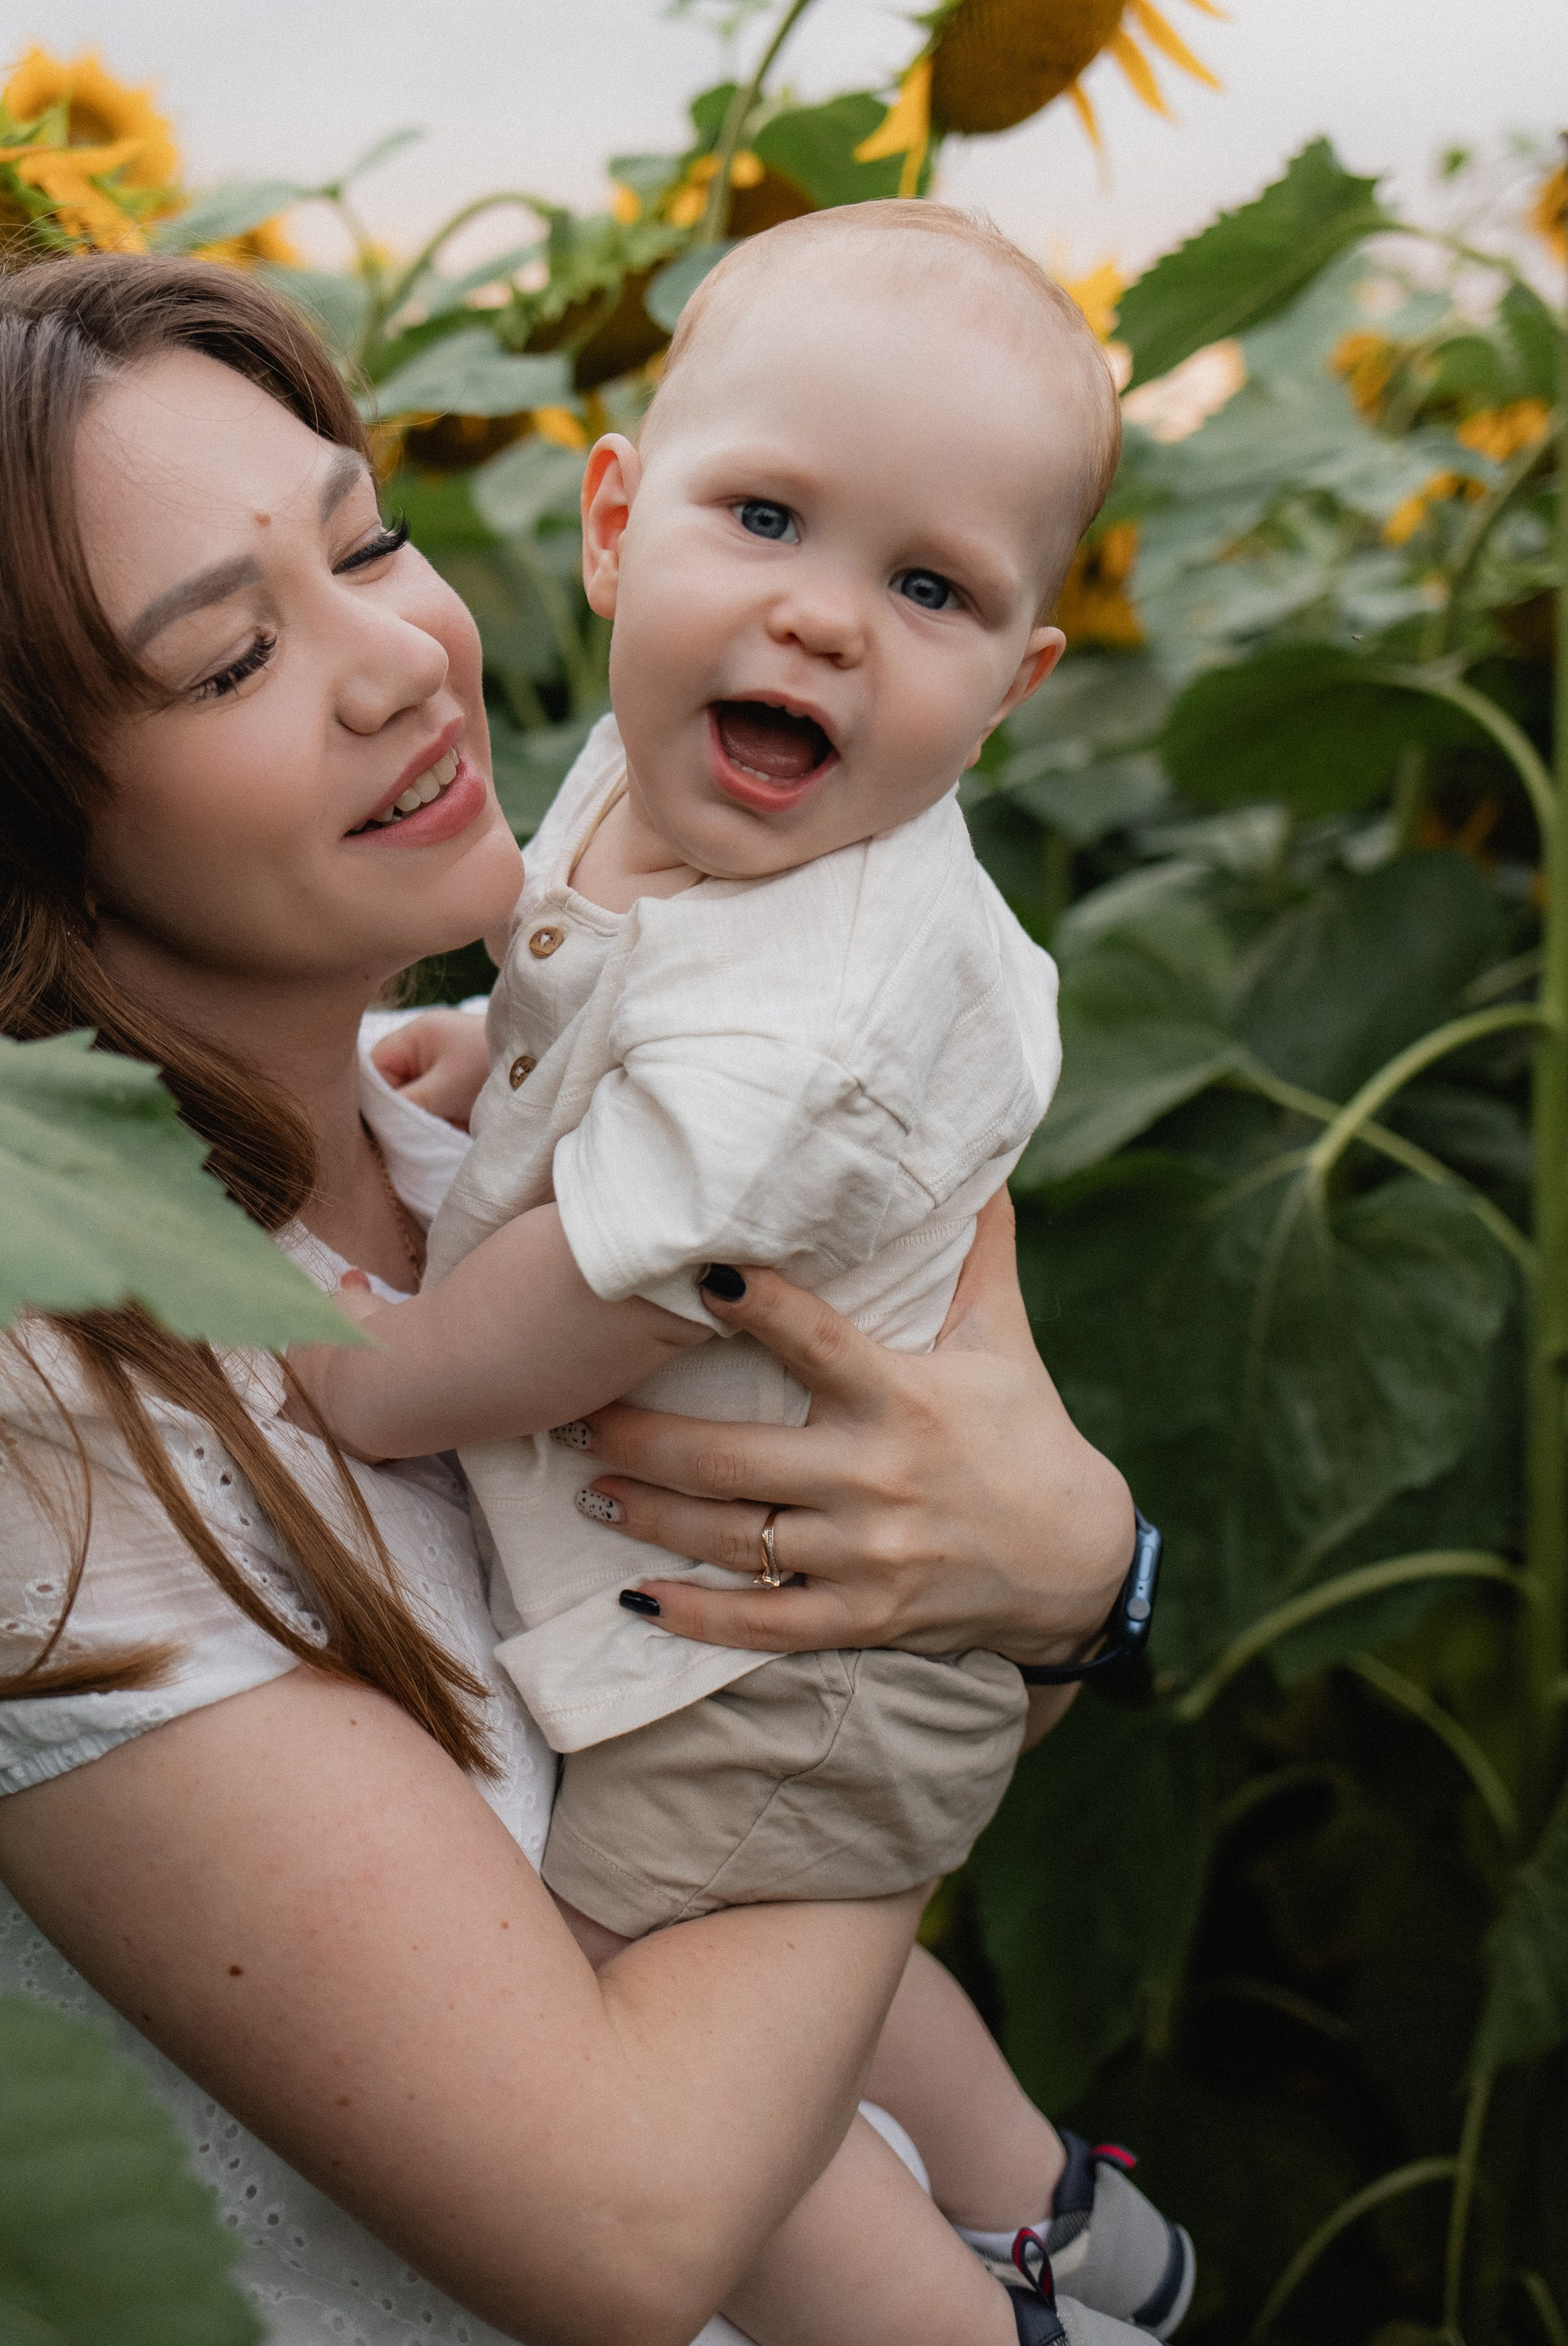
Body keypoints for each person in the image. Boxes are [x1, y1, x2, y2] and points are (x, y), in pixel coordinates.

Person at [0, 257, 1136, 2346]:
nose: (400, 663)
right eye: (229, 657)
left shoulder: (486, 1143)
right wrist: (1005, 1606)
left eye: (367, 545)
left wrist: (1075, 1580)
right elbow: (623, 2232)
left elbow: (884, 1606)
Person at [298, 203, 1191, 2345]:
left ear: (1020, 681)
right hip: (792, 1607)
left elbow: (614, 1280)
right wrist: (482, 1049)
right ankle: (1046, 2207)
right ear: (616, 525)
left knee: (644, 2020)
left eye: (931, 589)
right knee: (791, 1946)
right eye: (768, 517)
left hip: (800, 1659)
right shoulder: (663, 769)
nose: (824, 619)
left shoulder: (834, 997)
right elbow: (598, 995)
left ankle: (961, 2319)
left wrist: (383, 1381)